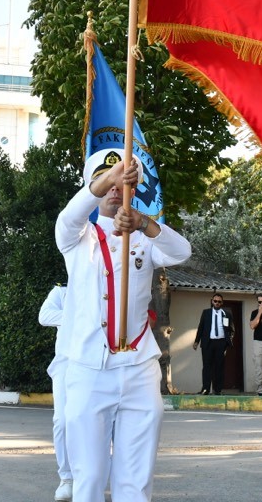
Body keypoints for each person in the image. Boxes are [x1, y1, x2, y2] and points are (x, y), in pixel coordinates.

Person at [56, 150, 191, 502]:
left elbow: (181, 252)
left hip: (138, 366)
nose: (116, 190)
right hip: (89, 368)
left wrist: (144, 223)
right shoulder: (77, 236)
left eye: (124, 184)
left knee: (136, 477)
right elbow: (68, 217)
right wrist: (112, 176)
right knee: (89, 476)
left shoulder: (145, 238)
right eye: (108, 183)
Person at [38, 284, 72, 502]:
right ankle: (67, 478)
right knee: (62, 421)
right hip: (66, 365)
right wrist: (81, 315)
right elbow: (45, 316)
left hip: (99, 365)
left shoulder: (104, 288)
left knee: (101, 423)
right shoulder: (61, 292)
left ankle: (94, 478)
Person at [193, 293, 232, 394]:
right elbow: (201, 327)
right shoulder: (206, 312)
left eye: (219, 301)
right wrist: (196, 341)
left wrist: (227, 342)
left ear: (222, 303)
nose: (217, 303)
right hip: (208, 343)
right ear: (212, 301)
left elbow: (231, 330)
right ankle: (205, 389)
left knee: (219, 367)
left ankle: (218, 390)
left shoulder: (226, 314)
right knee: (207, 366)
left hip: (221, 343)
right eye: (215, 301)